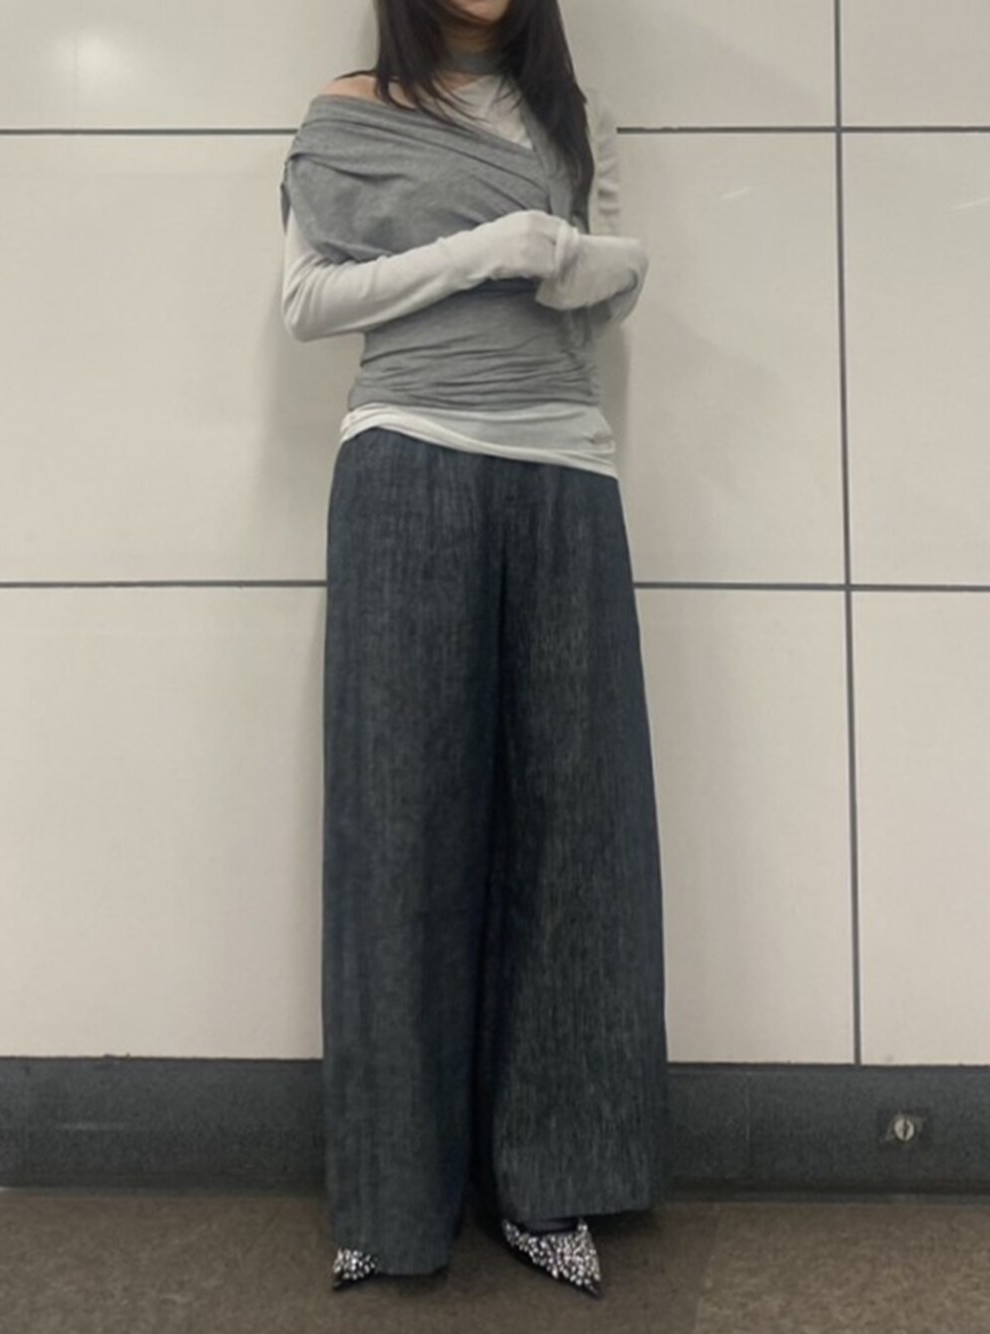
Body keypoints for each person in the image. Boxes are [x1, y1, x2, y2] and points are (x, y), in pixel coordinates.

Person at [279, 0, 670, 1301]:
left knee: (576, 829)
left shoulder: (575, 117)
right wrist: (487, 247)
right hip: (408, 456)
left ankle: (550, 1179)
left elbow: (598, 309)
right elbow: (307, 300)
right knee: (398, 829)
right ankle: (393, 1198)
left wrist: (591, 267)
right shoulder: (351, 112)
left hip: (566, 468)